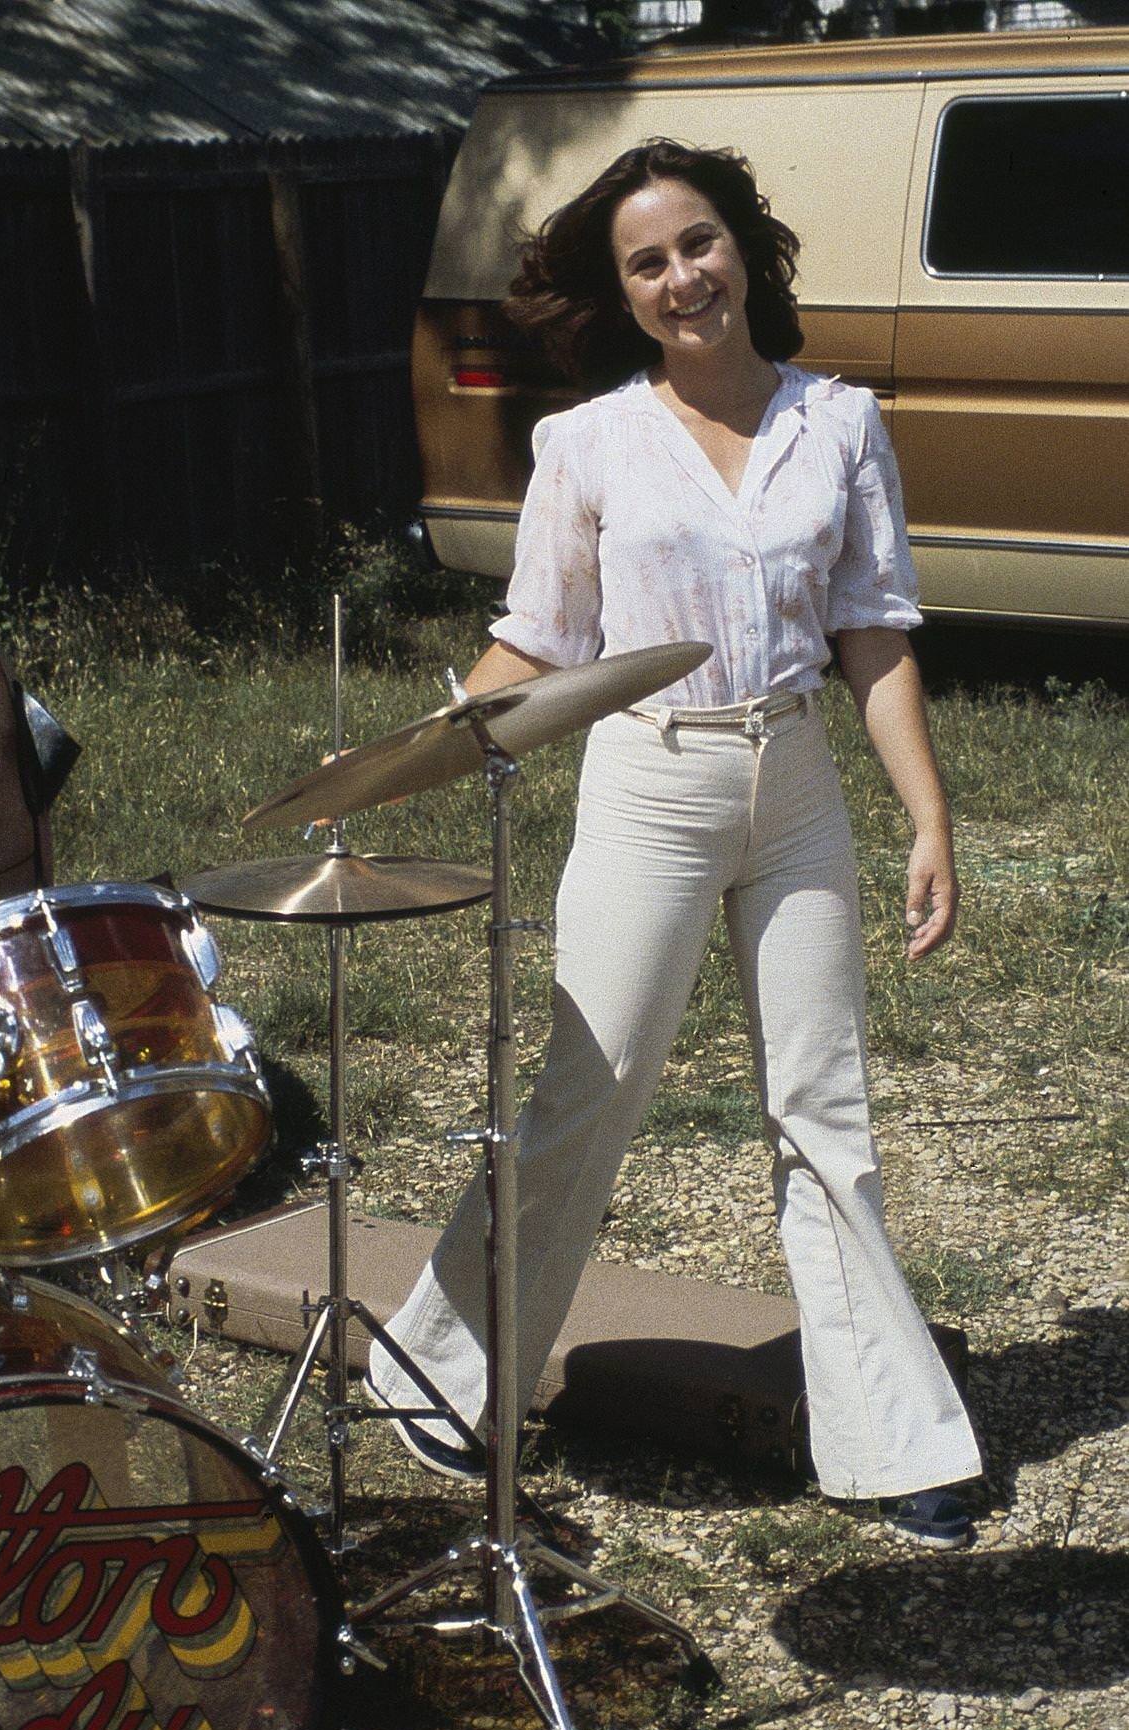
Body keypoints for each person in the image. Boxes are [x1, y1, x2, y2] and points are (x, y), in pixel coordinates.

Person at [367, 140, 982, 1548]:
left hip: (799, 785)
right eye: (647, 263)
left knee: (825, 1117)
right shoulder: (585, 442)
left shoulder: (841, 421)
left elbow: (872, 630)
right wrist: (398, 764)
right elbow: (538, 639)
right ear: (625, 291)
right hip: (649, 783)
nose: (680, 277)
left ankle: (896, 1444)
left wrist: (930, 818)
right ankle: (440, 1379)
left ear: (745, 249)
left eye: (697, 244)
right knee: (591, 1091)